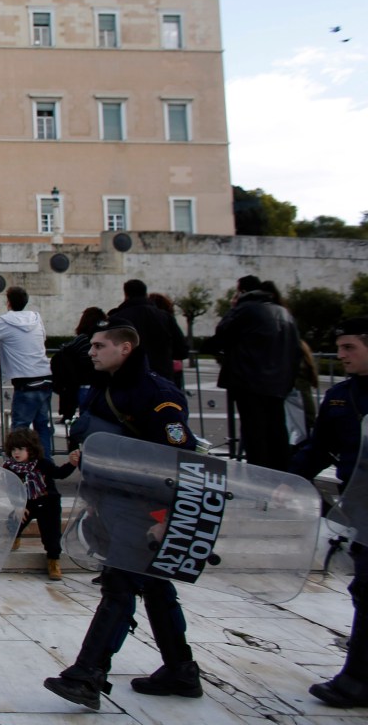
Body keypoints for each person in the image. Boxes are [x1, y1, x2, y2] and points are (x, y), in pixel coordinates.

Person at [43, 318, 202, 710]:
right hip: (115, 503)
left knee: (120, 586)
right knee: (154, 586)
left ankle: (88, 674)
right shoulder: (105, 388)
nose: (92, 352)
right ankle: (181, 669)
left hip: (144, 508)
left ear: (125, 348)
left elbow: (179, 458)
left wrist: (167, 517)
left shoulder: (157, 394)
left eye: (99, 346)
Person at [290, 317, 368, 708]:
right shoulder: (340, 397)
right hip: (361, 507)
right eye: (339, 348)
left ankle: (356, 680)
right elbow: (318, 449)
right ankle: (357, 678)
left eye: (349, 348)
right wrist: (285, 479)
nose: (340, 355)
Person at [202, 274, 301, 470]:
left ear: (242, 291)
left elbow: (222, 334)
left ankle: (260, 476)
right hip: (278, 382)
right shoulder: (284, 313)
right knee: (276, 431)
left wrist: (234, 307)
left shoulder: (247, 309)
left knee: (255, 434)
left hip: (250, 380)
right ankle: (282, 473)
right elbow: (294, 351)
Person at [0, 285, 57, 457]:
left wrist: (0, 344)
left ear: (8, 303)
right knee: (43, 427)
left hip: (25, 381)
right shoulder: (36, 317)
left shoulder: (5, 321)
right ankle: (45, 470)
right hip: (45, 378)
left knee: (19, 431)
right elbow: (40, 339)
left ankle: (18, 472)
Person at [2, 427, 79, 581]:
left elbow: (59, 474)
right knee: (13, 521)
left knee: (51, 534)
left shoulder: (42, 463)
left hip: (47, 502)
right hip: (26, 503)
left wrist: (71, 464)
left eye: (21, 449)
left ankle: (53, 561)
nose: (16, 453)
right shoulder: (9, 467)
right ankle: (14, 538)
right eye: (13, 449)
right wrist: (18, 506)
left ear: (30, 449)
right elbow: (10, 488)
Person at [51, 306, 107, 449]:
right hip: (99, 384)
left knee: (87, 421)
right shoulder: (103, 339)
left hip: (82, 385)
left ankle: (87, 452)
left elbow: (66, 352)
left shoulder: (81, 340)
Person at [109, 279, 188, 381]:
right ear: (145, 293)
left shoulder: (117, 318)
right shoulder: (165, 317)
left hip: (129, 380)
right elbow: (181, 350)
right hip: (161, 379)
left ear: (126, 295)